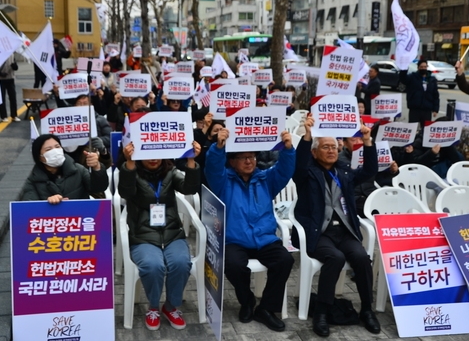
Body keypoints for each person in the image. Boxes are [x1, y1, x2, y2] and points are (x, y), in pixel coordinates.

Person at [292, 113, 380, 337]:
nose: (331, 150)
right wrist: (307, 135)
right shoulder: (306, 173)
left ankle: (367, 310)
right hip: (318, 232)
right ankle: (321, 312)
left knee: (361, 258)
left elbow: (370, 171)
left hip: (345, 230)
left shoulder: (345, 173)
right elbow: (298, 165)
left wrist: (368, 142)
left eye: (334, 146)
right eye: (325, 147)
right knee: (335, 258)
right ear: (314, 151)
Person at [204, 129, 295, 332]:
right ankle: (246, 301)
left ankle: (267, 309)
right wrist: (218, 148)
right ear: (232, 161)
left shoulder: (265, 179)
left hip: (264, 238)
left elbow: (284, 171)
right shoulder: (222, 182)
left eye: (252, 156)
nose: (249, 161)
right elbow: (212, 167)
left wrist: (288, 149)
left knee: (285, 260)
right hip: (234, 240)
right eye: (244, 157)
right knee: (234, 265)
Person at [118, 140, 201, 331]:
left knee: (181, 263)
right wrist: (129, 163)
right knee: (153, 265)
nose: (153, 159)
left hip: (172, 234)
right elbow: (126, 192)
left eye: (157, 153)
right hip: (143, 237)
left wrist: (191, 161)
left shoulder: (171, 172)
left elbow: (189, 188)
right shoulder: (133, 172)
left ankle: (170, 306)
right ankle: (153, 306)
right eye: (147, 154)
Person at [23, 134, 109, 203]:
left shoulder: (78, 170)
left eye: (57, 147)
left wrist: (97, 167)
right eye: (48, 149)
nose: (55, 151)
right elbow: (29, 207)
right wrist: (47, 204)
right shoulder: (33, 180)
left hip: (80, 218)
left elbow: (99, 188)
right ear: (39, 157)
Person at [399, 59, 439, 129]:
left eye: (425, 67)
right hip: (415, 109)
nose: (423, 68)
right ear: (418, 67)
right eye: (421, 67)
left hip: (427, 110)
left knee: (426, 130)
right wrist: (404, 68)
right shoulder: (412, 77)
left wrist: (435, 109)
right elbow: (403, 79)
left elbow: (435, 95)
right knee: (412, 129)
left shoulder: (432, 79)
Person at [0, 55, 19, 122]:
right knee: (2, 99)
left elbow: (16, 67)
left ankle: (14, 115)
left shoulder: (12, 55)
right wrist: (1, 73)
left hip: (11, 79)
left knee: (13, 97)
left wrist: (14, 66)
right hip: (1, 79)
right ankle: (3, 116)